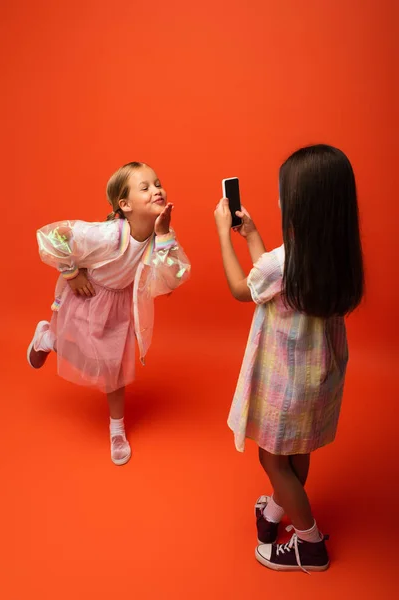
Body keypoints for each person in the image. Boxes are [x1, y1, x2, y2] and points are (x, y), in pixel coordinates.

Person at [214, 145, 364, 572]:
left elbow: (245, 288)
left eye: (286, 192)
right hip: (320, 376)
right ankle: (276, 512)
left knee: (272, 459)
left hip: (287, 380)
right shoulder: (334, 257)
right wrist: (253, 235)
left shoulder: (286, 261)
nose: (281, 197)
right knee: (298, 451)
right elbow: (272, 275)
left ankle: (308, 542)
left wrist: (224, 234)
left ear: (302, 203)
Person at [27, 162, 190, 465]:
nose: (157, 190)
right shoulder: (107, 235)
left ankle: (117, 427)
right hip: (89, 297)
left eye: (158, 184)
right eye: (146, 187)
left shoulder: (160, 236)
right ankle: (48, 338)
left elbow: (172, 278)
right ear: (124, 205)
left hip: (120, 307)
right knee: (88, 361)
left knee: (114, 371)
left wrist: (165, 234)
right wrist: (72, 271)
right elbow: (52, 236)